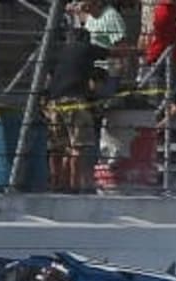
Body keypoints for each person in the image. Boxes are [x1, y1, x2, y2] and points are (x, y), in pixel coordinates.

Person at [45, 26, 110, 192]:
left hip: (54, 102)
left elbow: (49, 77)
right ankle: (74, 187)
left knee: (57, 147)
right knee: (79, 146)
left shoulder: (57, 52)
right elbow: (112, 53)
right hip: (74, 101)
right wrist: (139, 52)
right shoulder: (85, 48)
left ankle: (56, 184)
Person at [82, 0, 128, 97]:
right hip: (92, 70)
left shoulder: (111, 17)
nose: (84, 6)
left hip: (108, 71)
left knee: (106, 100)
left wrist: (117, 72)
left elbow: (122, 48)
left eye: (87, 4)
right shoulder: (90, 17)